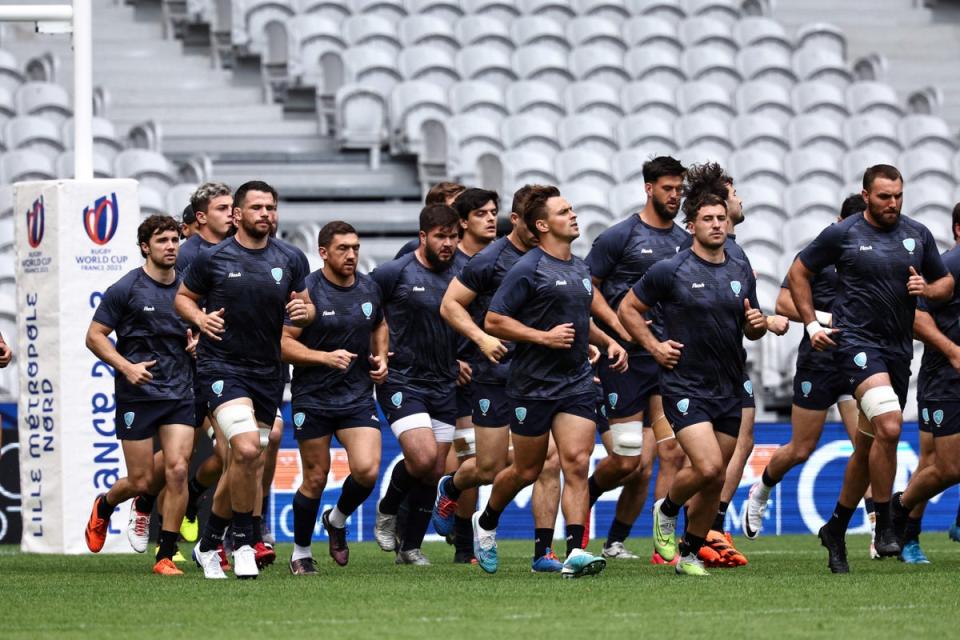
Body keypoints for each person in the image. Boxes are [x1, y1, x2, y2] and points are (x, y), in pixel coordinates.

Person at [787, 164, 952, 573]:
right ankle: (885, 523)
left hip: (897, 350)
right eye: (884, 196)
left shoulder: (917, 234)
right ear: (866, 196)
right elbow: (798, 272)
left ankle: (836, 529)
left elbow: (945, 283)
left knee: (867, 446)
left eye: (898, 195)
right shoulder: (844, 234)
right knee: (891, 426)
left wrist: (926, 290)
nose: (892, 203)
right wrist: (810, 324)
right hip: (857, 346)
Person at [471, 185, 627, 578]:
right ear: (542, 225)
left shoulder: (578, 267)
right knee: (526, 470)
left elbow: (577, 319)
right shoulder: (528, 267)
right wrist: (543, 338)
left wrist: (604, 343)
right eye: (564, 212)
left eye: (572, 209)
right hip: (532, 384)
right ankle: (486, 520)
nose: (573, 215)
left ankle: (575, 550)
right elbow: (494, 321)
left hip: (575, 382)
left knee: (576, 463)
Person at [618, 193, 768, 576]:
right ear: (692, 225)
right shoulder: (671, 269)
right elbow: (628, 309)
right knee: (707, 465)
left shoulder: (739, 265)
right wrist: (653, 346)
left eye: (721, 217)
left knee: (716, 476)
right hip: (685, 385)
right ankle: (666, 509)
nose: (717, 224)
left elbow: (751, 322)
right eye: (707, 218)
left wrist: (756, 327)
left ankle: (689, 552)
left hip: (729, 385)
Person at [177, 180, 314, 579]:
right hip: (221, 369)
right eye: (257, 208)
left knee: (243, 461)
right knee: (249, 449)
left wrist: (305, 314)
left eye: (271, 207)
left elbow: (306, 306)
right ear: (237, 215)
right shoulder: (212, 258)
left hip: (268, 373)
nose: (266, 214)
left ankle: (208, 543)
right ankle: (241, 545)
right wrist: (199, 318)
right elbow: (182, 298)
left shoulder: (290, 258)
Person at [434, 185, 564, 572]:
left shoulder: (557, 257)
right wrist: (481, 337)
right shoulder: (490, 259)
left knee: (550, 462)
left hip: (543, 376)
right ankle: (452, 486)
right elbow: (449, 305)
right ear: (519, 219)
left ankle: (543, 552)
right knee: (488, 468)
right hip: (495, 374)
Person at [743, 195, 878, 554]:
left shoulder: (876, 258)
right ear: (840, 223)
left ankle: (878, 526)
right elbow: (784, 303)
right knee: (802, 447)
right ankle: (763, 488)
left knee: (865, 444)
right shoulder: (819, 254)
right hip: (818, 360)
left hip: (858, 361)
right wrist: (826, 319)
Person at [677, 163, 788, 567]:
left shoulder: (735, 257)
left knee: (738, 444)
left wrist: (764, 322)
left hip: (730, 368)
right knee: (700, 460)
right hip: (691, 374)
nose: (739, 200)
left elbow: (748, 318)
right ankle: (693, 528)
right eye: (733, 193)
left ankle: (710, 529)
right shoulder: (691, 257)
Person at [583, 156, 689, 561]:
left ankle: (651, 545)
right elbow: (587, 287)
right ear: (649, 188)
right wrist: (617, 330)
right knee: (631, 463)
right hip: (624, 360)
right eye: (667, 189)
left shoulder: (684, 241)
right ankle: (588, 492)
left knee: (672, 454)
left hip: (666, 359)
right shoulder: (619, 237)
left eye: (679, 189)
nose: (674, 196)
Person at [83, 215, 197, 576]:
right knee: (143, 480)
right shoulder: (127, 288)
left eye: (175, 240)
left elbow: (200, 330)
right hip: (138, 393)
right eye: (162, 240)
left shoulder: (189, 290)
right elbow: (95, 336)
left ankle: (164, 554)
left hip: (180, 390)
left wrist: (197, 345)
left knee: (178, 469)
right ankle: (106, 504)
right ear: (145, 247)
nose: (171, 246)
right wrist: (126, 367)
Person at [282, 221, 388, 575]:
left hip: (356, 395)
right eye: (343, 248)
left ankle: (337, 519)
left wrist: (381, 356)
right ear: (324, 252)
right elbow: (282, 343)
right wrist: (324, 357)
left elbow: (379, 325)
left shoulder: (369, 288)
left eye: (355, 247)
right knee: (316, 477)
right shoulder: (307, 291)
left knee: (368, 470)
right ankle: (300, 552)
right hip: (313, 396)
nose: (351, 254)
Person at [372, 204, 465, 565]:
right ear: (423, 237)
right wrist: (377, 353)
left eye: (453, 236)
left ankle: (410, 548)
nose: (448, 243)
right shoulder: (394, 272)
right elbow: (367, 313)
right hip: (402, 380)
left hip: (444, 381)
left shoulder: (462, 275)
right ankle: (388, 507)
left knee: (434, 470)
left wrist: (465, 359)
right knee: (423, 457)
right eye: (441, 236)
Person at [892, 202, 960, 563]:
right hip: (944, 379)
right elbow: (917, 320)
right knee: (941, 465)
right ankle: (903, 523)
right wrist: (952, 352)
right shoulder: (949, 266)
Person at [175, 182, 235, 547]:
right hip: (186, 368)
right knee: (176, 460)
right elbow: (175, 301)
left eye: (233, 207)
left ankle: (200, 502)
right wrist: (192, 328)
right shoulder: (186, 255)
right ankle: (163, 531)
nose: (232, 213)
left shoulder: (240, 250)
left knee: (233, 450)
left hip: (225, 368)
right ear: (201, 217)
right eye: (223, 208)